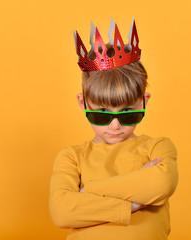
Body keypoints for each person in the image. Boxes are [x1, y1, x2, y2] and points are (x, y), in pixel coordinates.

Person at [49, 18, 178, 240]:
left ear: (144, 101)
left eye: (128, 113)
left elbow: (162, 182)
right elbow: (62, 212)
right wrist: (133, 204)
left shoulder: (158, 147)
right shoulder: (72, 157)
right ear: (83, 103)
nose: (115, 125)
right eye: (101, 114)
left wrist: (87, 192)